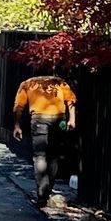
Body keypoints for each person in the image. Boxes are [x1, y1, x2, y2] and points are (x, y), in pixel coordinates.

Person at [12, 71, 77, 207]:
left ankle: (42, 192)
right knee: (54, 155)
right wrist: (72, 119)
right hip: (59, 118)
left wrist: (17, 125)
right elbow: (71, 100)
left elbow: (18, 106)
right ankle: (48, 187)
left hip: (39, 119)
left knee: (40, 155)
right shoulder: (60, 82)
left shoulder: (28, 83)